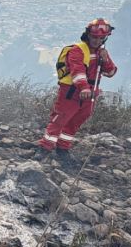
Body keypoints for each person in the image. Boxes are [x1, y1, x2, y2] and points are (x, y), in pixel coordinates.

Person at [37, 18, 118, 153]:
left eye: (101, 38)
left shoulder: (101, 53)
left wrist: (106, 60)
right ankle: (45, 147)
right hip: (72, 92)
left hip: (90, 94)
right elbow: (77, 71)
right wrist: (84, 87)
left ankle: (63, 148)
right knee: (61, 118)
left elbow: (111, 72)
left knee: (76, 121)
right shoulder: (77, 50)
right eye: (94, 37)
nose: (97, 41)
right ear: (88, 35)